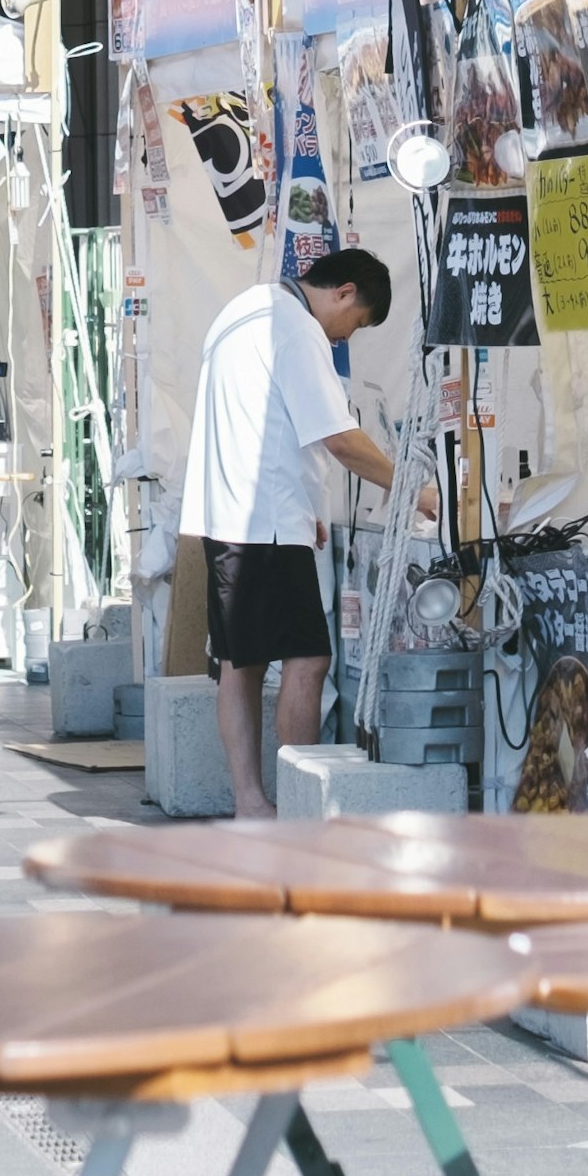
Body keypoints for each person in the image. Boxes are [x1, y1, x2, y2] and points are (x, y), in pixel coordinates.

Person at [179, 248, 427, 816]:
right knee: (308, 660)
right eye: (357, 323)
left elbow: (261, 420)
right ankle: (296, 808)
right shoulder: (296, 329)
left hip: (229, 514)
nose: (347, 336)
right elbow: (338, 437)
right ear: (343, 292)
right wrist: (416, 489)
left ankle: (251, 802)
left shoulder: (243, 310)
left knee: (240, 664)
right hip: (263, 526)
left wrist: (305, 502)